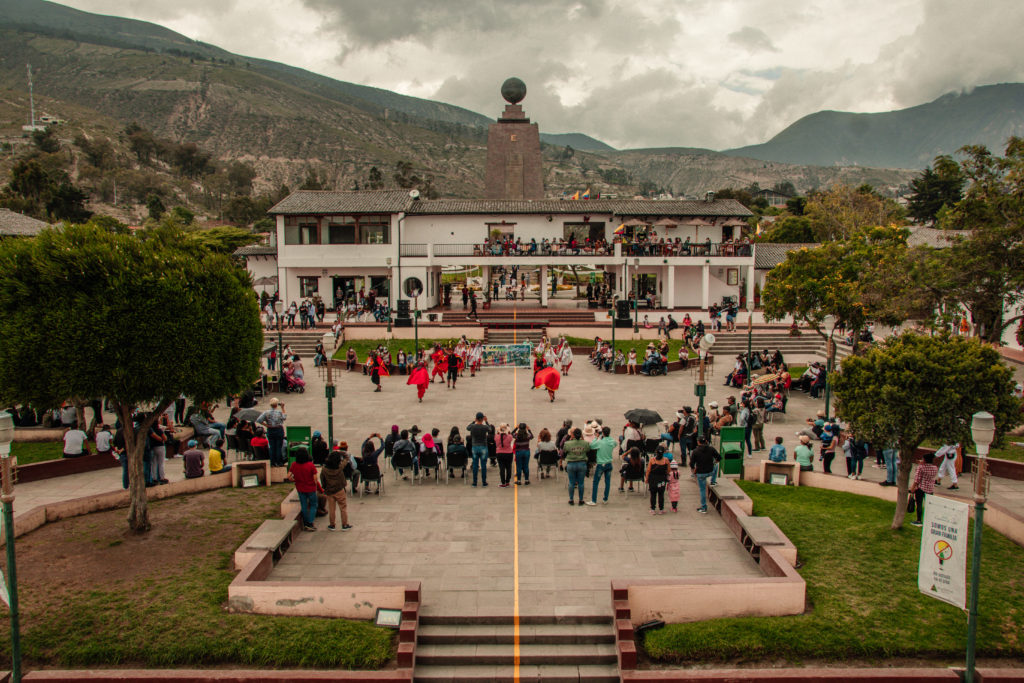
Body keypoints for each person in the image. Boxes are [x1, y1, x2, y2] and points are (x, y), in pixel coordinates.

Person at [289, 447, 322, 532]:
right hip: (310, 488)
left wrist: (294, 480)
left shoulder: (294, 465)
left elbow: (288, 476)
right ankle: (310, 523)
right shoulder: (310, 465)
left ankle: (305, 522)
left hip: (300, 487)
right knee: (313, 505)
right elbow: (315, 478)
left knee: (303, 505)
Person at [320, 449, 353, 531]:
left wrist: (325, 487)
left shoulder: (324, 469)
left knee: (332, 509)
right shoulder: (339, 467)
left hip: (329, 491)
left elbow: (322, 479)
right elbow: (347, 457)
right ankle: (345, 525)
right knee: (343, 508)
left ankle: (332, 525)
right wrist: (340, 452)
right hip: (339, 490)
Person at [587, 426, 616, 505]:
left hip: (601, 464)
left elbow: (592, 445)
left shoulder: (600, 442)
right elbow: (615, 443)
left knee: (596, 482)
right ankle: (605, 499)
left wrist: (596, 437)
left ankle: (594, 500)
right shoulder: (611, 441)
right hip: (609, 463)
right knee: (607, 482)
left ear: (603, 433)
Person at [690, 437, 720, 513]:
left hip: (701, 473)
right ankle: (713, 481)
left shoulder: (695, 451)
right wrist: (714, 462)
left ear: (698, 442)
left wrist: (694, 471)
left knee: (702, 490)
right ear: (706, 441)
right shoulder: (711, 449)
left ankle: (703, 507)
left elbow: (691, 464)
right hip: (710, 471)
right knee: (716, 465)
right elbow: (719, 457)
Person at [909, 452, 939, 527]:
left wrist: (913, 487)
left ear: (924, 460)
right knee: (929, 505)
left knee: (919, 504)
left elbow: (917, 479)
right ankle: (929, 520)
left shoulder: (921, 467)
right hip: (930, 488)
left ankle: (919, 520)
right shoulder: (935, 468)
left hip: (921, 488)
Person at [257, 398, 287, 467]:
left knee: (272, 446)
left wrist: (266, 425)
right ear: (277, 405)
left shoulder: (266, 412)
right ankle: (279, 462)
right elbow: (284, 417)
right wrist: (283, 408)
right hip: (278, 429)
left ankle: (272, 462)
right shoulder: (279, 412)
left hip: (270, 429)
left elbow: (259, 420)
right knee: (279, 447)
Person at [563, 428, 589, 506]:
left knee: (571, 482)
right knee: (581, 483)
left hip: (571, 463)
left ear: (573, 435)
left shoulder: (568, 443)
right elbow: (588, 450)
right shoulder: (585, 443)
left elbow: (565, 451)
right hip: (582, 463)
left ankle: (571, 499)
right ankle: (581, 499)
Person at [466, 412, 490, 487]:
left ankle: (475, 482)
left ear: (476, 418)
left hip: (475, 447)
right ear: (482, 419)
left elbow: (467, 427)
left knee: (475, 465)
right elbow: (490, 429)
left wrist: (474, 421)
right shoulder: (484, 427)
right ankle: (484, 481)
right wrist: (486, 421)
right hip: (483, 446)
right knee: (483, 465)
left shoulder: (473, 426)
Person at [646, 446, 670, 514]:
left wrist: (647, 478)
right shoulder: (666, 460)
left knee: (653, 494)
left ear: (656, 452)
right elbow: (668, 471)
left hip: (653, 480)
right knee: (661, 494)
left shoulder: (652, 460)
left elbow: (648, 470)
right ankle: (661, 509)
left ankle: (653, 509)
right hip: (662, 479)